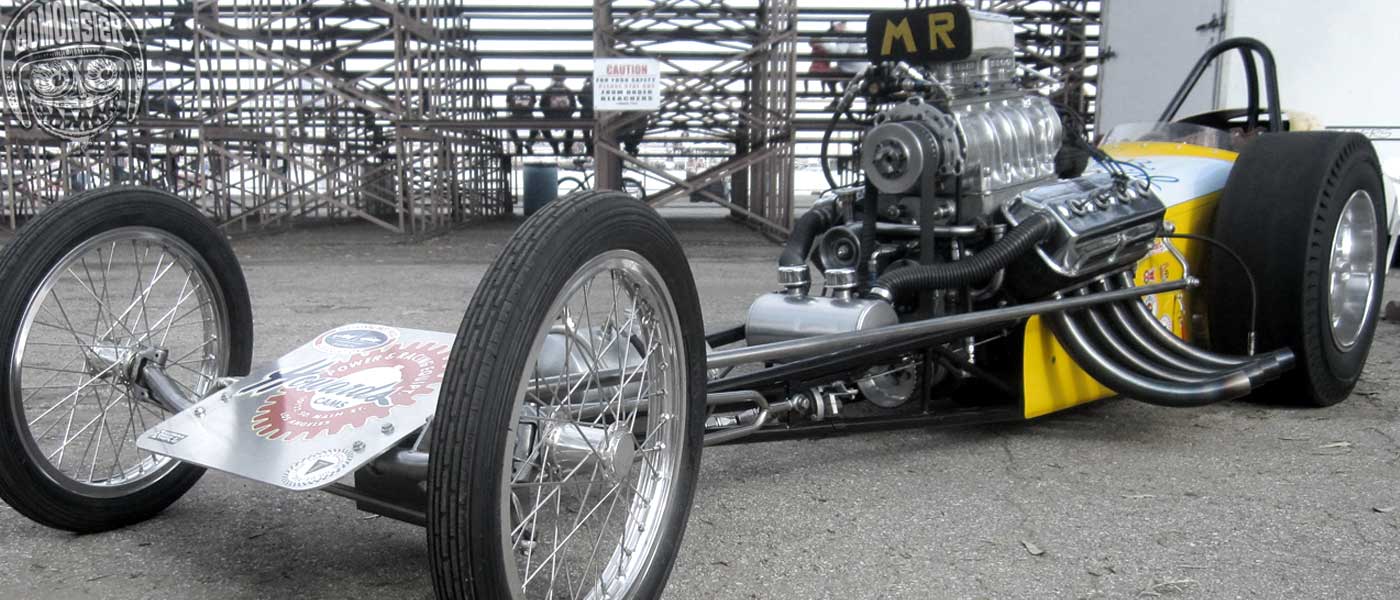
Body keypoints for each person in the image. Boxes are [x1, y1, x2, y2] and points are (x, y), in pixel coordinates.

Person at [540, 65, 578, 155]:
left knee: (543, 127)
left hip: (551, 117)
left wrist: (548, 114)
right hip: (565, 118)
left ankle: (555, 144)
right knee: (571, 128)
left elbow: (542, 105)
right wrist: (567, 114)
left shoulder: (548, 90)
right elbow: (574, 106)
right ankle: (566, 148)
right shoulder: (568, 91)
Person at [505, 69, 538, 154]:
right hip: (528, 114)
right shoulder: (530, 87)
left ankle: (518, 143)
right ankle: (529, 143)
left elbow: (508, 102)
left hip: (515, 114)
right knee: (536, 128)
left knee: (509, 126)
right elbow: (534, 101)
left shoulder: (511, 87)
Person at [809, 26, 837, 101]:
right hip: (820, 66)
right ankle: (825, 91)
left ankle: (825, 91)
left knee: (824, 78)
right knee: (824, 78)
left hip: (820, 66)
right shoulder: (819, 47)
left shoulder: (820, 47)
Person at [578, 76, 595, 155]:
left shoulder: (586, 87)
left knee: (586, 132)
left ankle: (589, 148)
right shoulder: (598, 87)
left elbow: (580, 98)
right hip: (595, 112)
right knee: (596, 131)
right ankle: (594, 147)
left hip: (585, 111)